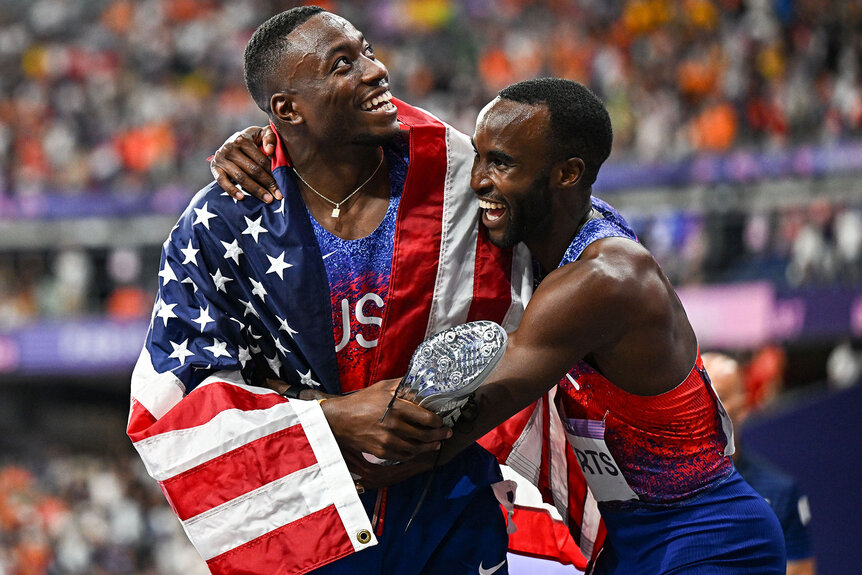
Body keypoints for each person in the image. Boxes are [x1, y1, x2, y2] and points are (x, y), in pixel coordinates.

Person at [219, 78, 787, 574]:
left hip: (705, 534)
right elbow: (403, 146)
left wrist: (309, 427)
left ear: (566, 173)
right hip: (630, 540)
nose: (477, 181)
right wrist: (281, 141)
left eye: (502, 164)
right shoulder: (545, 233)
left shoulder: (604, 279)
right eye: (481, 158)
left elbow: (452, 426)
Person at [128, 6, 532, 575]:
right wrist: (335, 419)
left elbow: (535, 312)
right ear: (288, 109)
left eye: (367, 51)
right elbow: (184, 397)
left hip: (449, 503)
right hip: (306, 519)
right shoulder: (222, 221)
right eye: (343, 64)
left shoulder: (456, 173)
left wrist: (437, 438)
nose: (375, 70)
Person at [703, 352, 817, 575]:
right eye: (701, 396)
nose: (708, 407)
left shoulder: (780, 491)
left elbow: (800, 569)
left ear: (743, 406)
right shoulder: (664, 485)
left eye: (720, 397)